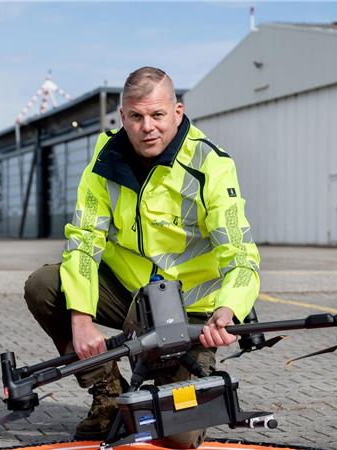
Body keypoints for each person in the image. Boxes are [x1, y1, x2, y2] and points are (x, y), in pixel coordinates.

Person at [24, 67, 260, 448]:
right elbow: (83, 242)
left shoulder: (211, 165)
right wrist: (81, 319)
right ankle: (108, 397)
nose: (147, 126)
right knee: (45, 285)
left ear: (178, 112)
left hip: (190, 312)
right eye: (136, 116)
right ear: (123, 117)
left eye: (157, 115)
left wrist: (229, 309)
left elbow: (241, 255)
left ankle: (170, 384)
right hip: (127, 295)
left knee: (178, 436)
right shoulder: (105, 161)